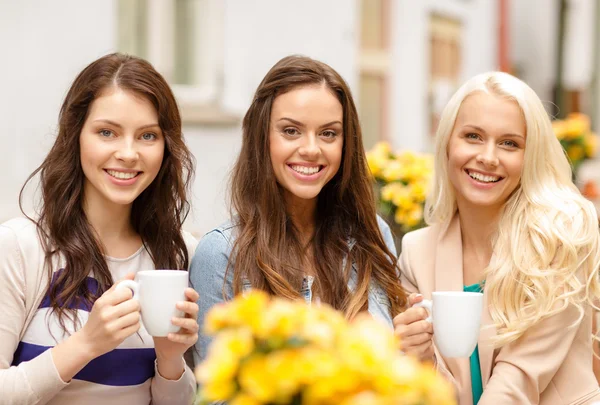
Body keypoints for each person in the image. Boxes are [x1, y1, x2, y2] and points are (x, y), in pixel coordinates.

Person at [0, 53, 200, 404]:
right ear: (76, 135)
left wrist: (170, 360)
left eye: (147, 136)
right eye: (107, 132)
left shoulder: (180, 253)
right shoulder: (21, 246)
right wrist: (86, 344)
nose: (128, 153)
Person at [393, 71, 600, 404]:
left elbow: (520, 379)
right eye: (473, 136)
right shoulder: (417, 253)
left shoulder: (560, 237)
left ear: (529, 155)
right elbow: (439, 392)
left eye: (509, 143)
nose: (488, 157)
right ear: (448, 143)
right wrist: (420, 359)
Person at [189, 55, 408, 365]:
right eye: (291, 131)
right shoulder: (222, 254)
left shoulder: (369, 235)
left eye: (328, 133)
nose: (311, 148)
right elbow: (216, 395)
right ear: (261, 137)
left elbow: (393, 367)